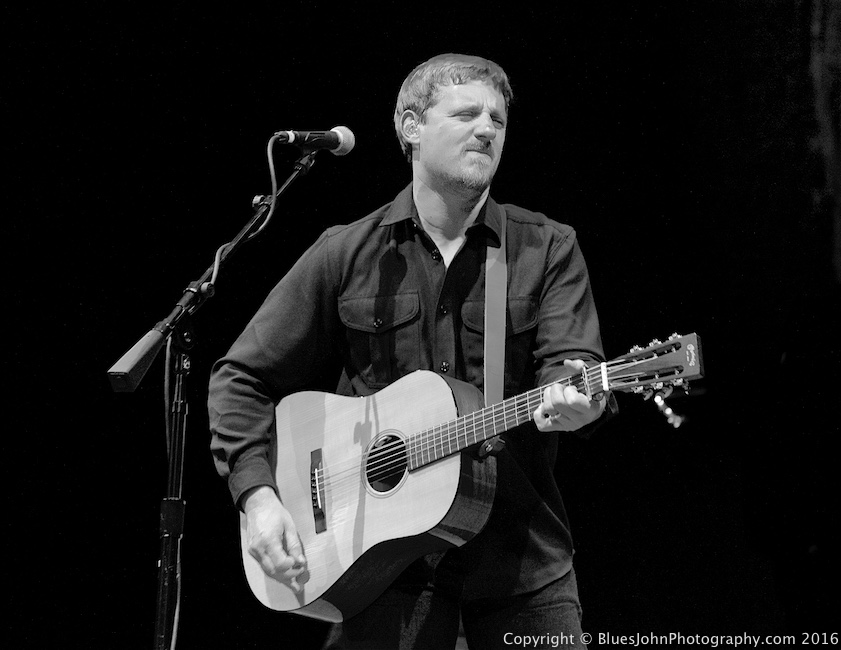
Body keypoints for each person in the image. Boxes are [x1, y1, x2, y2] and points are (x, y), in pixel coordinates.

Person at [208, 53, 616, 649]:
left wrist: (583, 399)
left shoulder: (545, 248)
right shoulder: (345, 252)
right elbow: (240, 376)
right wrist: (260, 497)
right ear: (411, 127)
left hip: (520, 571)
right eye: (467, 113)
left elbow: (576, 369)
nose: (487, 129)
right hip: (380, 576)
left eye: (498, 120)